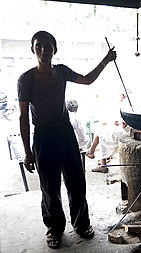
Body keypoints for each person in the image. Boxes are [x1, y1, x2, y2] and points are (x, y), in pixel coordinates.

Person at [17, 31, 116, 249]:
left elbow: (88, 80)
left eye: (48, 46)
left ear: (55, 49)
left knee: (77, 180)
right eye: (39, 46)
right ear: (33, 49)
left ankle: (81, 224)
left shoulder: (61, 72)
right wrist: (27, 150)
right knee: (49, 186)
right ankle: (54, 228)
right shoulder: (26, 79)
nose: (44, 50)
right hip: (43, 135)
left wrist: (105, 61)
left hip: (65, 132)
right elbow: (23, 116)